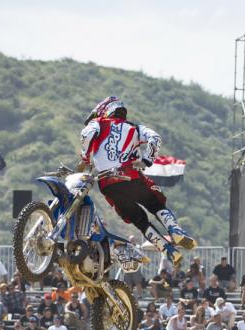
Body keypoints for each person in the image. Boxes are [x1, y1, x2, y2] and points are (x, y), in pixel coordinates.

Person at [79, 96, 195, 265]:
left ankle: (167, 249)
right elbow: (155, 138)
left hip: (107, 184)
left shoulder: (98, 122)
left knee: (139, 221)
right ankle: (175, 230)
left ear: (106, 110)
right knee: (156, 205)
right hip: (130, 176)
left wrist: (85, 158)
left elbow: (87, 134)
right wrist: (146, 160)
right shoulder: (135, 128)